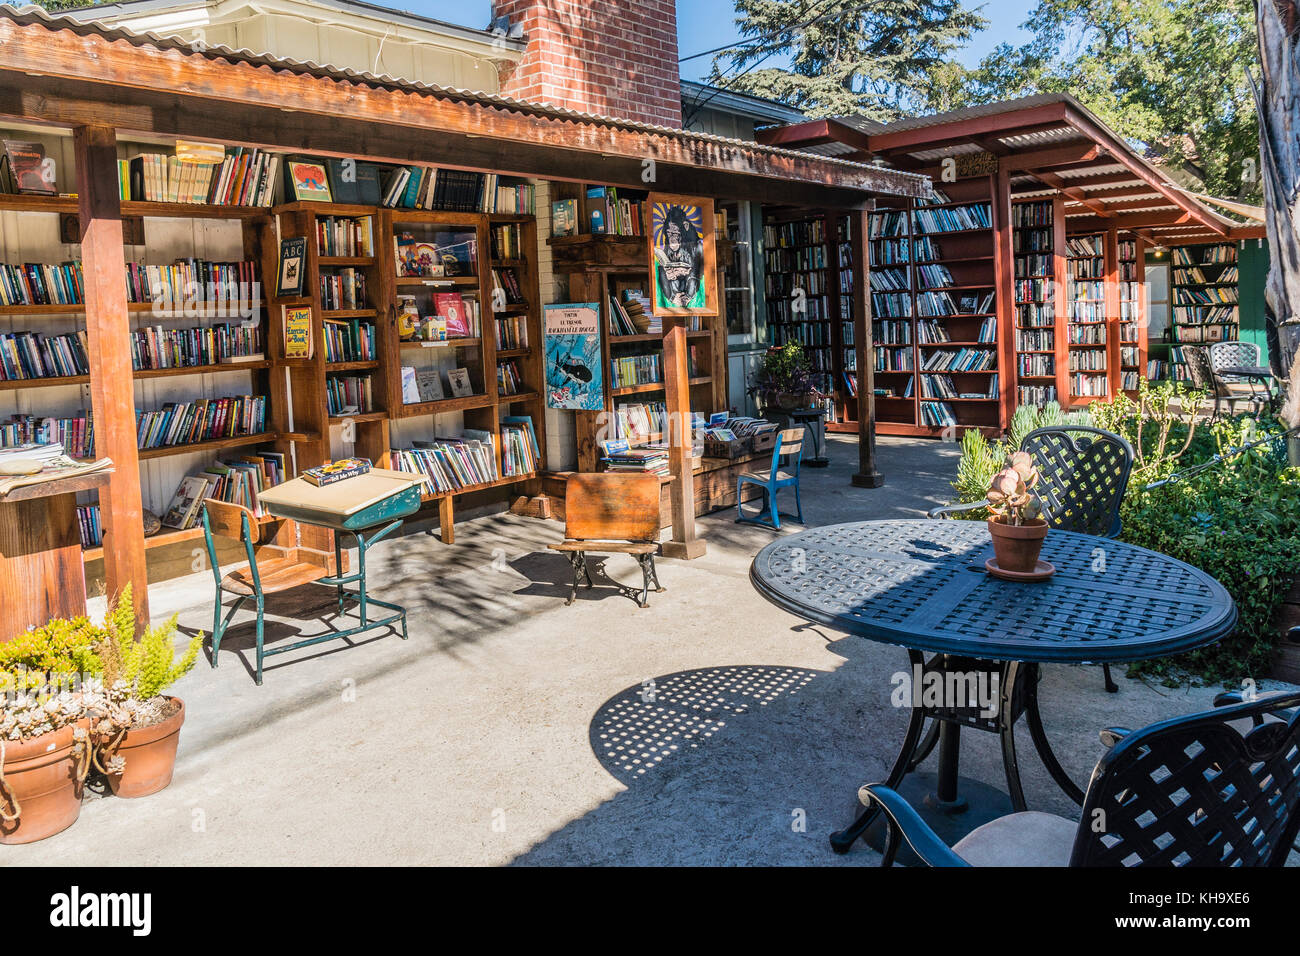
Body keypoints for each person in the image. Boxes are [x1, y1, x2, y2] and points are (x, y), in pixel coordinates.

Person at [654, 206, 704, 308]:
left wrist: (684, 272)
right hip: (674, 288)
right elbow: (665, 266)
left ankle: (687, 297)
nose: (672, 238)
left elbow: (698, 272)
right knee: (661, 269)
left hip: (690, 285)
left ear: (685, 226)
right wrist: (669, 272)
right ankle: (672, 297)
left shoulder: (695, 244)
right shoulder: (668, 243)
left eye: (675, 234)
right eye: (669, 233)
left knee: (693, 273)